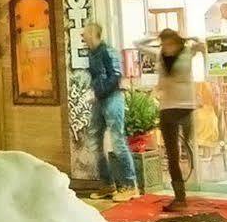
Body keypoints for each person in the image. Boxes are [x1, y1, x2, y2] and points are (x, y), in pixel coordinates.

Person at [147, 28, 203, 211]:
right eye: (163, 44)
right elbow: (137, 45)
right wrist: (152, 39)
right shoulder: (159, 55)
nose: (166, 47)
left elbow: (204, 46)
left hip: (185, 106)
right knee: (172, 155)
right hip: (167, 107)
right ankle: (180, 197)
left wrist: (192, 38)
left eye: (169, 43)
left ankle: (192, 180)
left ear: (177, 42)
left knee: (188, 146)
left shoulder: (187, 52)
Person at [83, 21, 136, 200]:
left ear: (93, 34)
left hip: (112, 98)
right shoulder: (92, 53)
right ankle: (108, 184)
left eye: (86, 33)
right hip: (100, 99)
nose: (83, 36)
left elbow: (115, 76)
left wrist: (99, 92)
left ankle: (130, 185)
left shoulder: (108, 51)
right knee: (94, 142)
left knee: (117, 141)